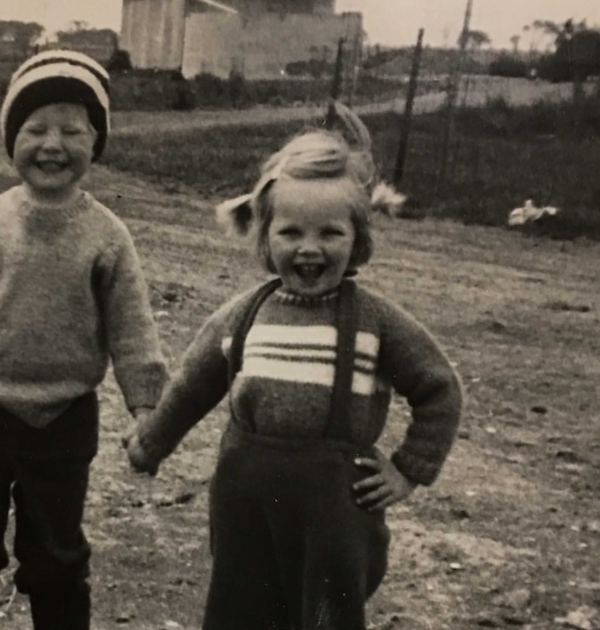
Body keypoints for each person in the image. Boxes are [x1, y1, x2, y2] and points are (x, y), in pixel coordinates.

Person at [125, 104, 463, 630]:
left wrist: (408, 469)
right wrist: (151, 443)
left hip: (333, 515)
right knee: (240, 610)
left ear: (358, 240)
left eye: (330, 233)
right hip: (243, 500)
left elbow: (439, 389)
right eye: (290, 233)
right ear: (265, 239)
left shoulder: (375, 320)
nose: (309, 248)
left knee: (325, 615)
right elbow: (192, 386)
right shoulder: (243, 315)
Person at [0, 49, 168, 630]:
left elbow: (133, 327)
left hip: (63, 423)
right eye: (35, 129)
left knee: (57, 559)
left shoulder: (108, 235)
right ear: (12, 138)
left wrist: (146, 406)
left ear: (94, 143)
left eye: (72, 130)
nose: (53, 144)